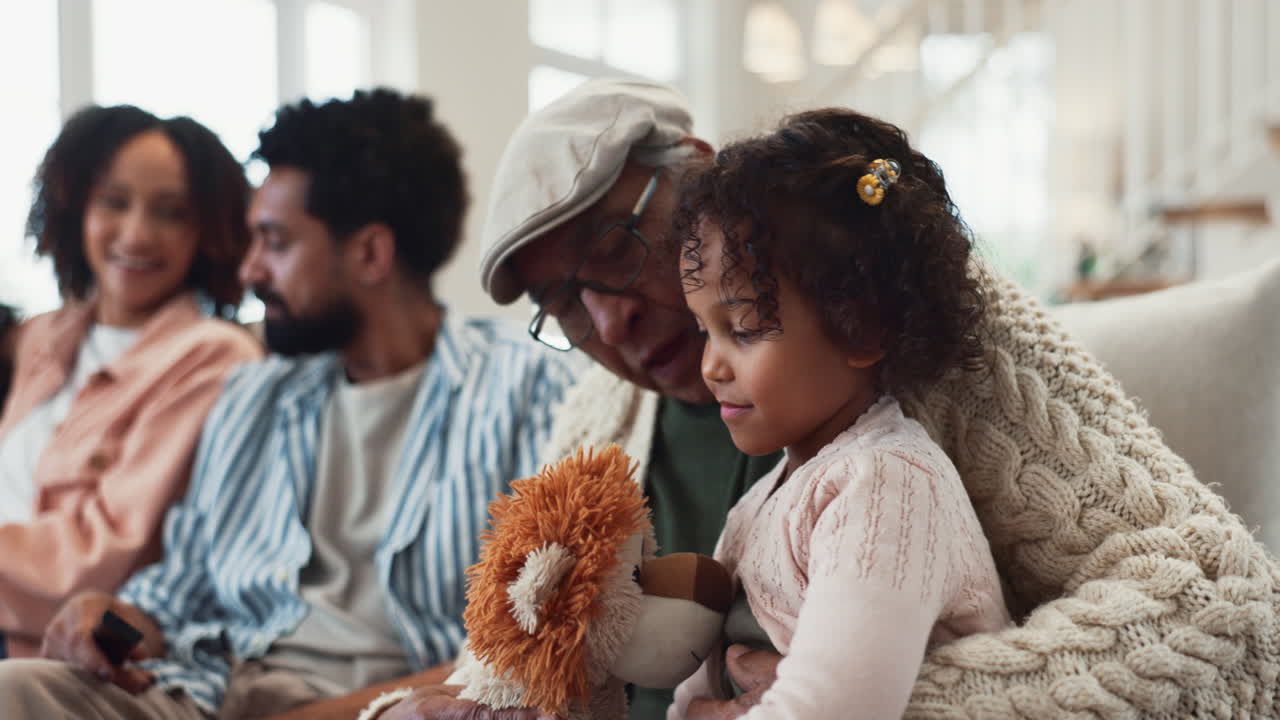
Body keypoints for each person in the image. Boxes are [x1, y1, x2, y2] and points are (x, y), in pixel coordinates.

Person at [376, 76, 1280, 720]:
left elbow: (1230, 613)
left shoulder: (916, 327)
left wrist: (898, 700)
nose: (608, 319)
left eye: (615, 250)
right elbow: (536, 647)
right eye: (563, 303)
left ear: (695, 174)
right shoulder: (593, 420)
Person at [0, 89, 578, 718]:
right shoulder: (255, 395)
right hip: (213, 694)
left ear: (369, 253)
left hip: (405, 705)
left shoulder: (525, 387)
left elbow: (532, 639)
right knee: (18, 690)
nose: (249, 271)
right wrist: (106, 621)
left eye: (274, 243)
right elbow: (175, 597)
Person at [668, 108, 1011, 718]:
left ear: (862, 328)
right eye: (704, 331)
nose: (711, 366)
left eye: (743, 329)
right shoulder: (757, 505)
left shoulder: (889, 481)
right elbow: (694, 696)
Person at [0, 105, 262, 659]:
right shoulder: (40, 338)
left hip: (55, 657)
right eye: (114, 202)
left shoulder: (212, 356)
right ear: (76, 208)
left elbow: (99, 563)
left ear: (207, 230)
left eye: (171, 213)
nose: (138, 235)